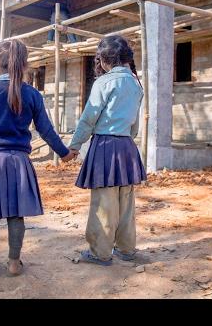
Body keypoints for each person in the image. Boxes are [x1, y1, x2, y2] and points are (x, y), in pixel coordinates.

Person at [0, 38, 77, 278]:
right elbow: (45, 129)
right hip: (19, 162)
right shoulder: (32, 94)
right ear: (24, 64)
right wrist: (64, 153)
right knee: (16, 214)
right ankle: (14, 263)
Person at [67, 35, 145, 266]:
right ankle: (127, 249)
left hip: (105, 148)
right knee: (126, 203)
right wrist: (126, 140)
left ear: (103, 60)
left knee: (104, 204)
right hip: (127, 147)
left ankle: (101, 253)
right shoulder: (135, 83)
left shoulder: (104, 83)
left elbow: (88, 119)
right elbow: (135, 125)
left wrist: (75, 145)